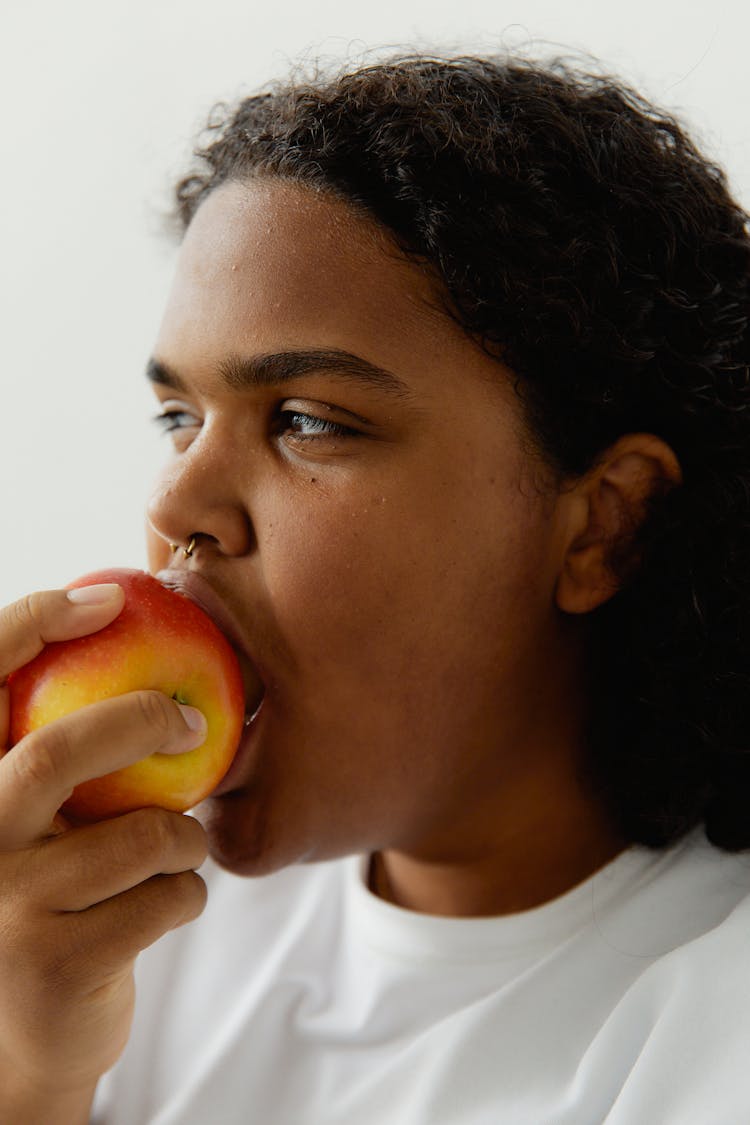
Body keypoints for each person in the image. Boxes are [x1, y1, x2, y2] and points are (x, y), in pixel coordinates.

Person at [1, 52, 749, 1124]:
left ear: (604, 528)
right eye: (179, 419)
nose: (175, 509)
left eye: (308, 422)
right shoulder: (99, 938)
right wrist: (30, 1080)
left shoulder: (712, 1033)